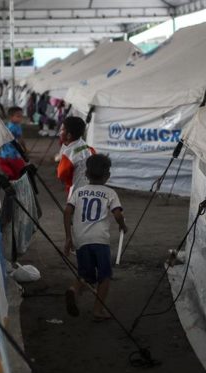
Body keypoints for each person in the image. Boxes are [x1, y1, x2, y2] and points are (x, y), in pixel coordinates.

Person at [63, 154, 128, 321]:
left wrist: (68, 237)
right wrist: (122, 225)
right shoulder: (110, 193)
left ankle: (73, 290)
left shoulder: (78, 192)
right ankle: (98, 310)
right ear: (108, 175)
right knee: (104, 276)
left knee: (85, 275)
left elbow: (67, 212)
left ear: (86, 174)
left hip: (81, 240)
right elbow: (118, 214)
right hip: (100, 240)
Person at [56, 116, 95, 196]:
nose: (59, 132)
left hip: (76, 190)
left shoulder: (69, 153)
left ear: (69, 136)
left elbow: (61, 174)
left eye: (61, 130)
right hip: (92, 188)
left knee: (72, 207)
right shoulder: (87, 147)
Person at [0, 106, 26, 181]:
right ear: (11, 117)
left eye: (21, 116)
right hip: (14, 155)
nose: (20, 118)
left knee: (6, 168)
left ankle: (9, 175)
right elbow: (20, 139)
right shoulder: (17, 127)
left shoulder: (7, 125)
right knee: (19, 171)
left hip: (3, 154)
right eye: (18, 116)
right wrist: (24, 148)